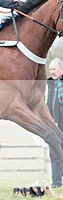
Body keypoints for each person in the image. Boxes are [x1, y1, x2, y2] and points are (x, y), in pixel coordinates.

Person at [47, 58, 63, 187]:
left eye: (54, 69)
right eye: (50, 69)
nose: (52, 72)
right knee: (54, 153)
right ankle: (56, 183)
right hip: (52, 125)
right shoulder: (49, 84)